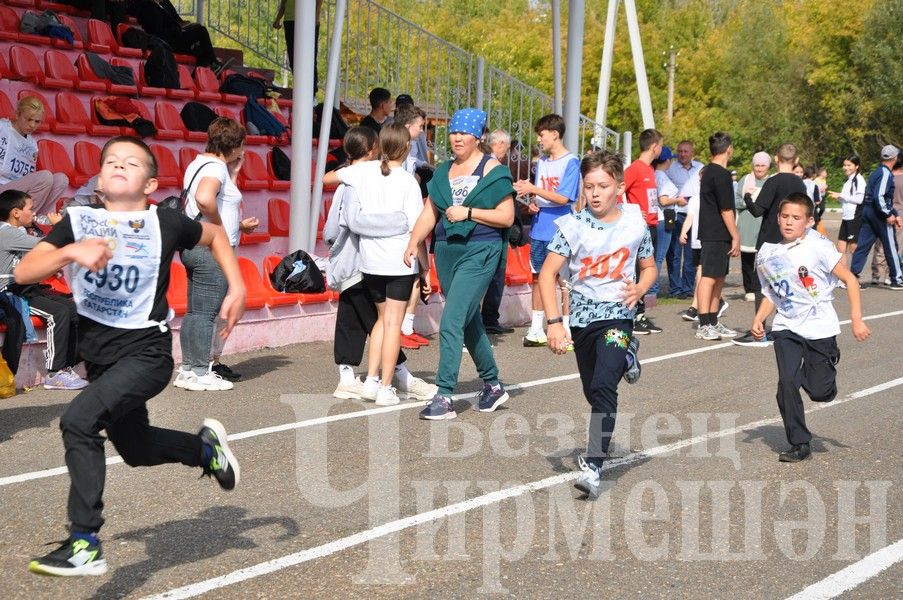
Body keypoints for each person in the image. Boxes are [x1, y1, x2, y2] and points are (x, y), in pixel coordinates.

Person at [19, 136, 244, 576]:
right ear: (99, 180)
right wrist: (68, 251)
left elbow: (216, 235)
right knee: (137, 448)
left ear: (150, 183)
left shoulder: (166, 222)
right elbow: (25, 271)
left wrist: (237, 286)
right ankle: (205, 452)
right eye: (111, 162)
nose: (119, 165)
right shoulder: (79, 221)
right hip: (100, 357)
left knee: (78, 422)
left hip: (147, 352)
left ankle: (84, 543)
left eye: (132, 163)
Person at [538, 150, 653, 499]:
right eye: (589, 187)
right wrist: (554, 323)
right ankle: (627, 357)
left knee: (604, 386)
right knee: (593, 391)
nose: (596, 193)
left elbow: (649, 268)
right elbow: (546, 275)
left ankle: (593, 466)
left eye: (603, 186)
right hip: (582, 320)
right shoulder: (572, 227)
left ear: (619, 187)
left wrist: (641, 288)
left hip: (618, 316)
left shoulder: (635, 224)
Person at [403, 108, 515, 420]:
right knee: (467, 321)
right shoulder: (443, 172)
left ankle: (444, 395)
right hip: (447, 251)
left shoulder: (494, 171)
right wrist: (413, 242)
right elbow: (430, 212)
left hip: (480, 250)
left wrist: (469, 213)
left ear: (478, 136)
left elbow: (506, 217)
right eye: (453, 132)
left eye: (463, 133)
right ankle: (492, 384)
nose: (456, 138)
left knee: (451, 319)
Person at [749, 193, 870, 462]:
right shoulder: (769, 252)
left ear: (809, 221)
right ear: (778, 218)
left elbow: (850, 280)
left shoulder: (818, 246)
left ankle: (824, 367)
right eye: (785, 216)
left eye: (796, 218)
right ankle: (799, 443)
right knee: (787, 382)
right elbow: (772, 292)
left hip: (819, 327)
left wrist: (857, 319)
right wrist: (760, 318)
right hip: (786, 326)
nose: (789, 222)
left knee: (821, 392)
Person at [324, 127, 437, 402]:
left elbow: (329, 178)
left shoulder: (363, 172)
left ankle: (372, 381)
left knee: (379, 322)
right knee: (392, 325)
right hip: (398, 261)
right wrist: (424, 269)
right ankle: (386, 387)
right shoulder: (408, 181)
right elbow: (417, 230)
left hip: (369, 261)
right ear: (407, 148)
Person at [175, 118, 260, 391]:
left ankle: (188, 369)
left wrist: (233, 173)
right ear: (235, 145)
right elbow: (205, 198)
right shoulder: (215, 168)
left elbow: (217, 200)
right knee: (205, 313)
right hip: (209, 249)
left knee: (195, 312)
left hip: (193, 245)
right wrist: (219, 227)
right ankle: (200, 371)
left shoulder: (199, 163)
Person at [0, 190, 87, 390]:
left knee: (74, 309)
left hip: (27, 287)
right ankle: (55, 373)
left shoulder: (19, 232)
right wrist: (59, 226)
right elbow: (49, 246)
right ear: (15, 212)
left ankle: (66, 367)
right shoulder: (6, 232)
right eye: (30, 208)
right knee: (59, 313)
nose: (34, 213)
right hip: (11, 292)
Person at [513, 114, 580, 347]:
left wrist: (534, 190)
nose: (539, 140)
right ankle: (536, 329)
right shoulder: (541, 162)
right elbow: (542, 195)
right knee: (538, 277)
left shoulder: (571, 161)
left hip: (561, 227)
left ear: (555, 134)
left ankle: (569, 329)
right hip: (540, 226)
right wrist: (534, 201)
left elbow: (563, 197)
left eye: (542, 135)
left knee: (564, 280)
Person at [734, 143, 807, 346]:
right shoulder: (801, 185)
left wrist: (747, 197)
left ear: (776, 159)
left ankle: (759, 330)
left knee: (762, 285)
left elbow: (758, 211)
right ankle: (793, 327)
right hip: (793, 239)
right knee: (790, 282)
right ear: (797, 161)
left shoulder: (773, 182)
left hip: (770, 239)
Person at [393, 103, 432, 349]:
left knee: (416, 277)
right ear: (408, 126)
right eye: (420, 125)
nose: (422, 130)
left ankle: (407, 326)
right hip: (402, 224)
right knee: (410, 275)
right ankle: (396, 328)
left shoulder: (410, 152)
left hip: (411, 218)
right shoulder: (396, 153)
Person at [695, 132, 740, 341]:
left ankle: (713, 320)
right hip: (714, 232)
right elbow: (726, 209)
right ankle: (703, 323)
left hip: (718, 234)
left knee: (719, 277)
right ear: (728, 149)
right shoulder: (719, 174)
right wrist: (736, 235)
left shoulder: (711, 171)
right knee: (709, 277)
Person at [621, 129, 664, 334]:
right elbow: (619, 192)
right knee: (638, 270)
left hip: (653, 226)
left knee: (648, 269)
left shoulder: (649, 170)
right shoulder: (635, 169)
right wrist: (633, 213)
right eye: (661, 146)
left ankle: (641, 313)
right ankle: (634, 314)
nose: (661, 150)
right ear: (654, 146)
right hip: (639, 227)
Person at [0, 96, 70, 217]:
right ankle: (26, 221)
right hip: (2, 189)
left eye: (37, 121)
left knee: (61, 179)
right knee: (45, 176)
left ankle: (37, 219)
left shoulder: (32, 145)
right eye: (28, 119)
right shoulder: (2, 127)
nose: (32, 125)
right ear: (17, 114)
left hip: (16, 193)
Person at [849, 145, 903, 290]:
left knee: (863, 245)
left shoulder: (876, 172)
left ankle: (853, 276)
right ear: (894, 158)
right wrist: (889, 214)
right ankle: (896, 279)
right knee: (891, 246)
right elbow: (880, 196)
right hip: (878, 213)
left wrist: (895, 213)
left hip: (868, 211)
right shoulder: (886, 173)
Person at [480, 128, 518, 335]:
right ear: (501, 144)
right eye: (507, 146)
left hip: (487, 224)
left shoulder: (481, 163)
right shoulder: (494, 166)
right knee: (494, 275)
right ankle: (488, 319)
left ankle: (487, 319)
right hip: (493, 227)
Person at [129, 0, 224, 70]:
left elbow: (178, 22)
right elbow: (158, 32)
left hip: (176, 37)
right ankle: (213, 63)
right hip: (168, 41)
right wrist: (179, 31)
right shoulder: (148, 7)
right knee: (201, 30)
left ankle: (197, 74)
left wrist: (182, 29)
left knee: (201, 49)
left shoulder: (163, 4)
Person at [735, 152, 771, 302]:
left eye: (763, 165)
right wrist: (748, 201)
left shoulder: (772, 181)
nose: (759, 168)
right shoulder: (745, 180)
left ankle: (762, 287)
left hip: (764, 224)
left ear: (768, 167)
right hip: (747, 224)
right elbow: (736, 201)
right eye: (757, 165)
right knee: (747, 260)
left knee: (764, 259)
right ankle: (749, 288)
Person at [650, 145, 682, 297]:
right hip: (663, 219)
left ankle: (651, 289)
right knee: (659, 257)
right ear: (667, 160)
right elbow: (663, 200)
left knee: (654, 256)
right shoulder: (661, 176)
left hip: (657, 219)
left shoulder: (653, 173)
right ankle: (652, 289)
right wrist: (678, 200)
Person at [827, 155, 865, 273]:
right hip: (846, 217)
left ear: (857, 166)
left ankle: (855, 276)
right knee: (840, 248)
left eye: (849, 165)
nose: (845, 167)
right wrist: (837, 196)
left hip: (855, 218)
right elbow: (847, 199)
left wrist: (841, 195)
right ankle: (843, 277)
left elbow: (859, 200)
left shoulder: (859, 180)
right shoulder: (848, 180)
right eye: (844, 165)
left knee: (854, 248)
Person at [272, 0, 323, 75]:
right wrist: (278, 18)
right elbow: (284, 2)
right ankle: (298, 84)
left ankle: (313, 86)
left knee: (309, 59)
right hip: (290, 20)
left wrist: (316, 17)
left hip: (307, 19)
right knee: (293, 58)